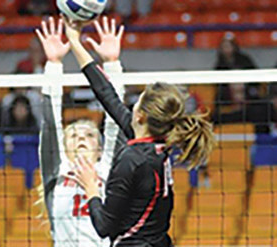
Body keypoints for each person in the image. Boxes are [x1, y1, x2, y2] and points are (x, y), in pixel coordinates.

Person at [63, 16, 215, 246]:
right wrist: (76, 42)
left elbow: (105, 226)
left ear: (140, 115)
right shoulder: (155, 143)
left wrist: (91, 187)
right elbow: (107, 94)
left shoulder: (131, 159)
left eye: (138, 100)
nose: (131, 104)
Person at [36, 17, 125, 247]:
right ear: (64, 146)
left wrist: (112, 63)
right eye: (74, 135)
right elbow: (51, 122)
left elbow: (117, 119)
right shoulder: (57, 171)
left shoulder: (108, 169)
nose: (82, 139)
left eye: (89, 135)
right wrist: (54, 64)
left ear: (100, 147)